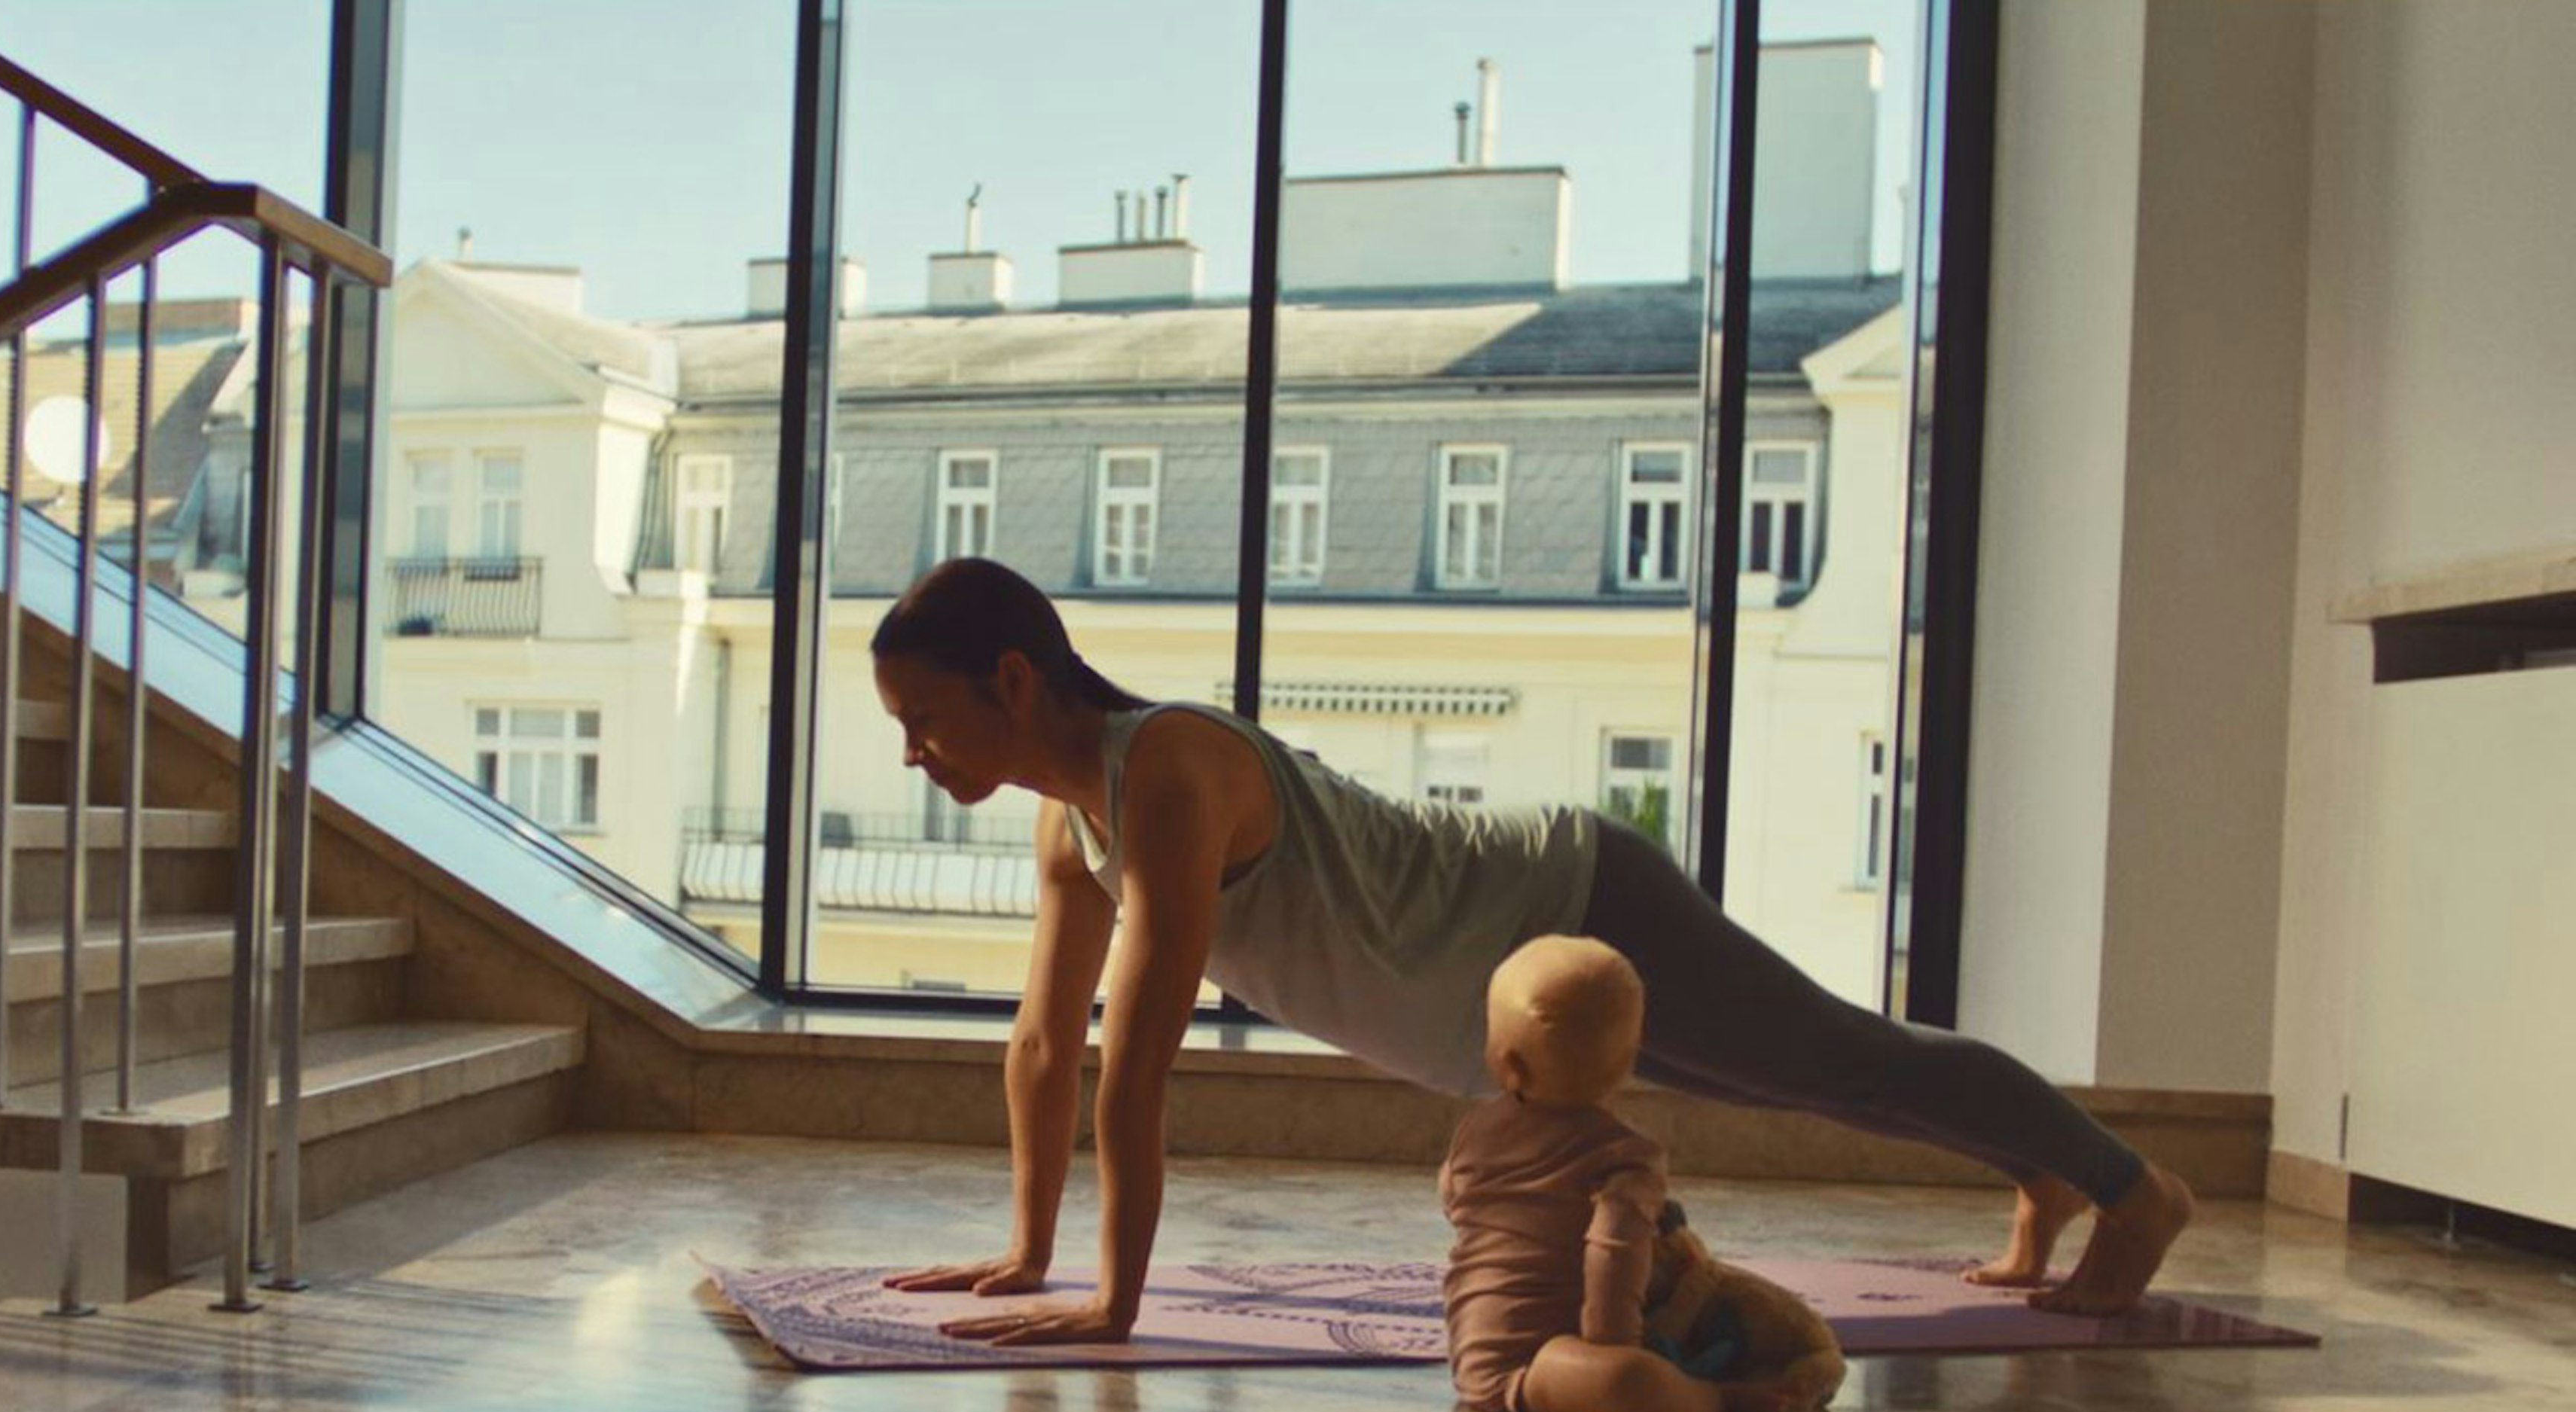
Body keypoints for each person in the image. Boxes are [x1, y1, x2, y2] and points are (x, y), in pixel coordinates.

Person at [874, 559, 2192, 1345]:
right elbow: (1048, 1044)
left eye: (926, 721)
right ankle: (2043, 1172)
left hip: (1565, 900)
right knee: (1795, 1078)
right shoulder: (1072, 826)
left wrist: (1115, 1303)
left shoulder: (1166, 769)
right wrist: (1031, 1249)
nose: (914, 756)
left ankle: (2131, 1193)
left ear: (1012, 681)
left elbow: (1135, 1066)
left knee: (1831, 1058)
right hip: (1493, 980)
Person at [1442, 933, 1840, 1412]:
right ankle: (1719, 1401)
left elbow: (1454, 1199)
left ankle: (1658, 1383)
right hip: (1541, 1364)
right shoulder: (1629, 1158)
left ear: (1507, 1063)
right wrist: (1615, 1346)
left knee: (1624, 1373)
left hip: (1478, 1344)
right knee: (1630, 1380)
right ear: (1627, 1063)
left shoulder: (1476, 1131)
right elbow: (1616, 1253)